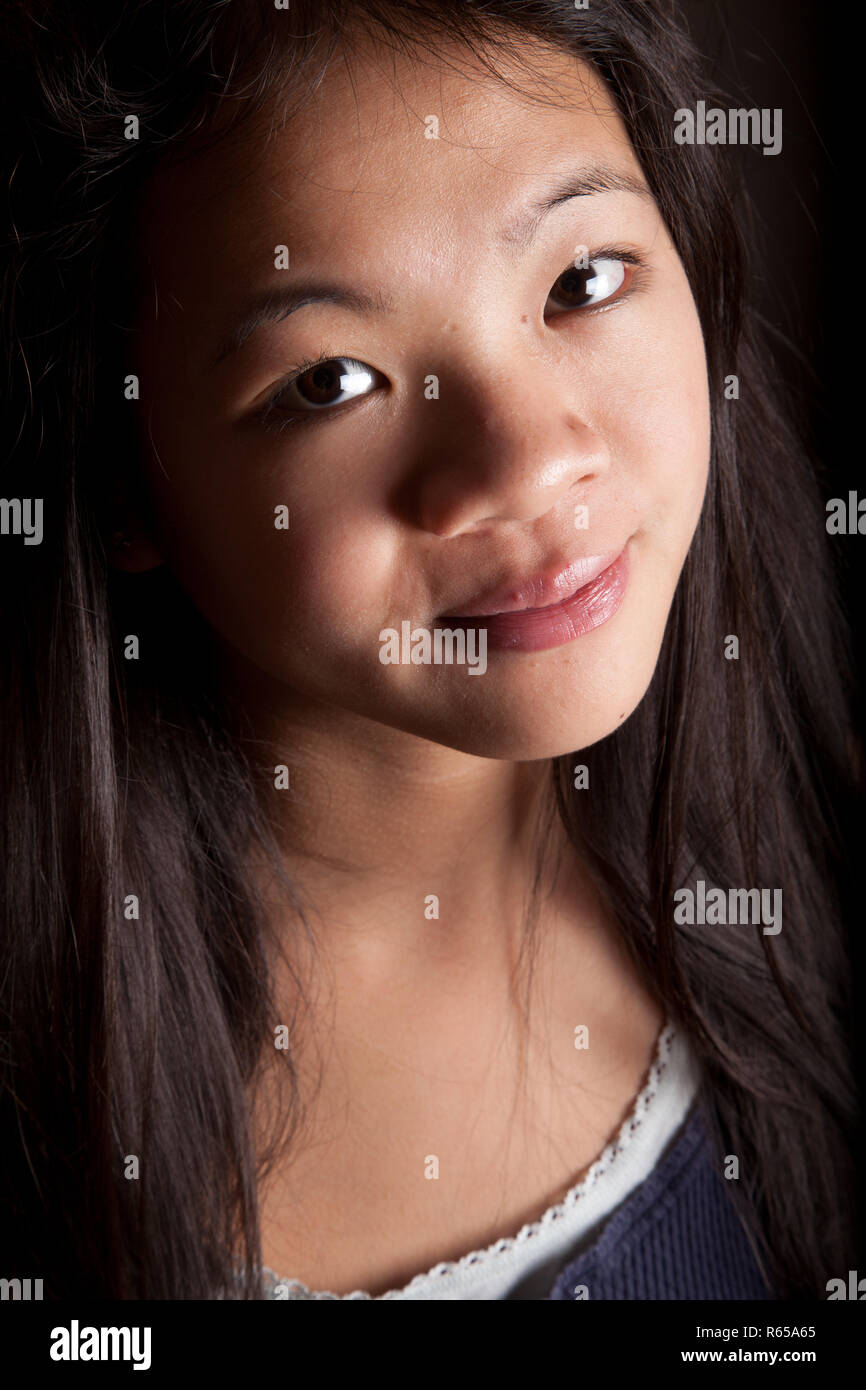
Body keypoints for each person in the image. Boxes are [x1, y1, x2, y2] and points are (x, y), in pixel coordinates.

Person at [0, 0, 857, 1301]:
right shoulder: (40, 1102)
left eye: (581, 281)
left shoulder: (827, 863)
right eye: (330, 380)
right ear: (128, 481)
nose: (523, 462)